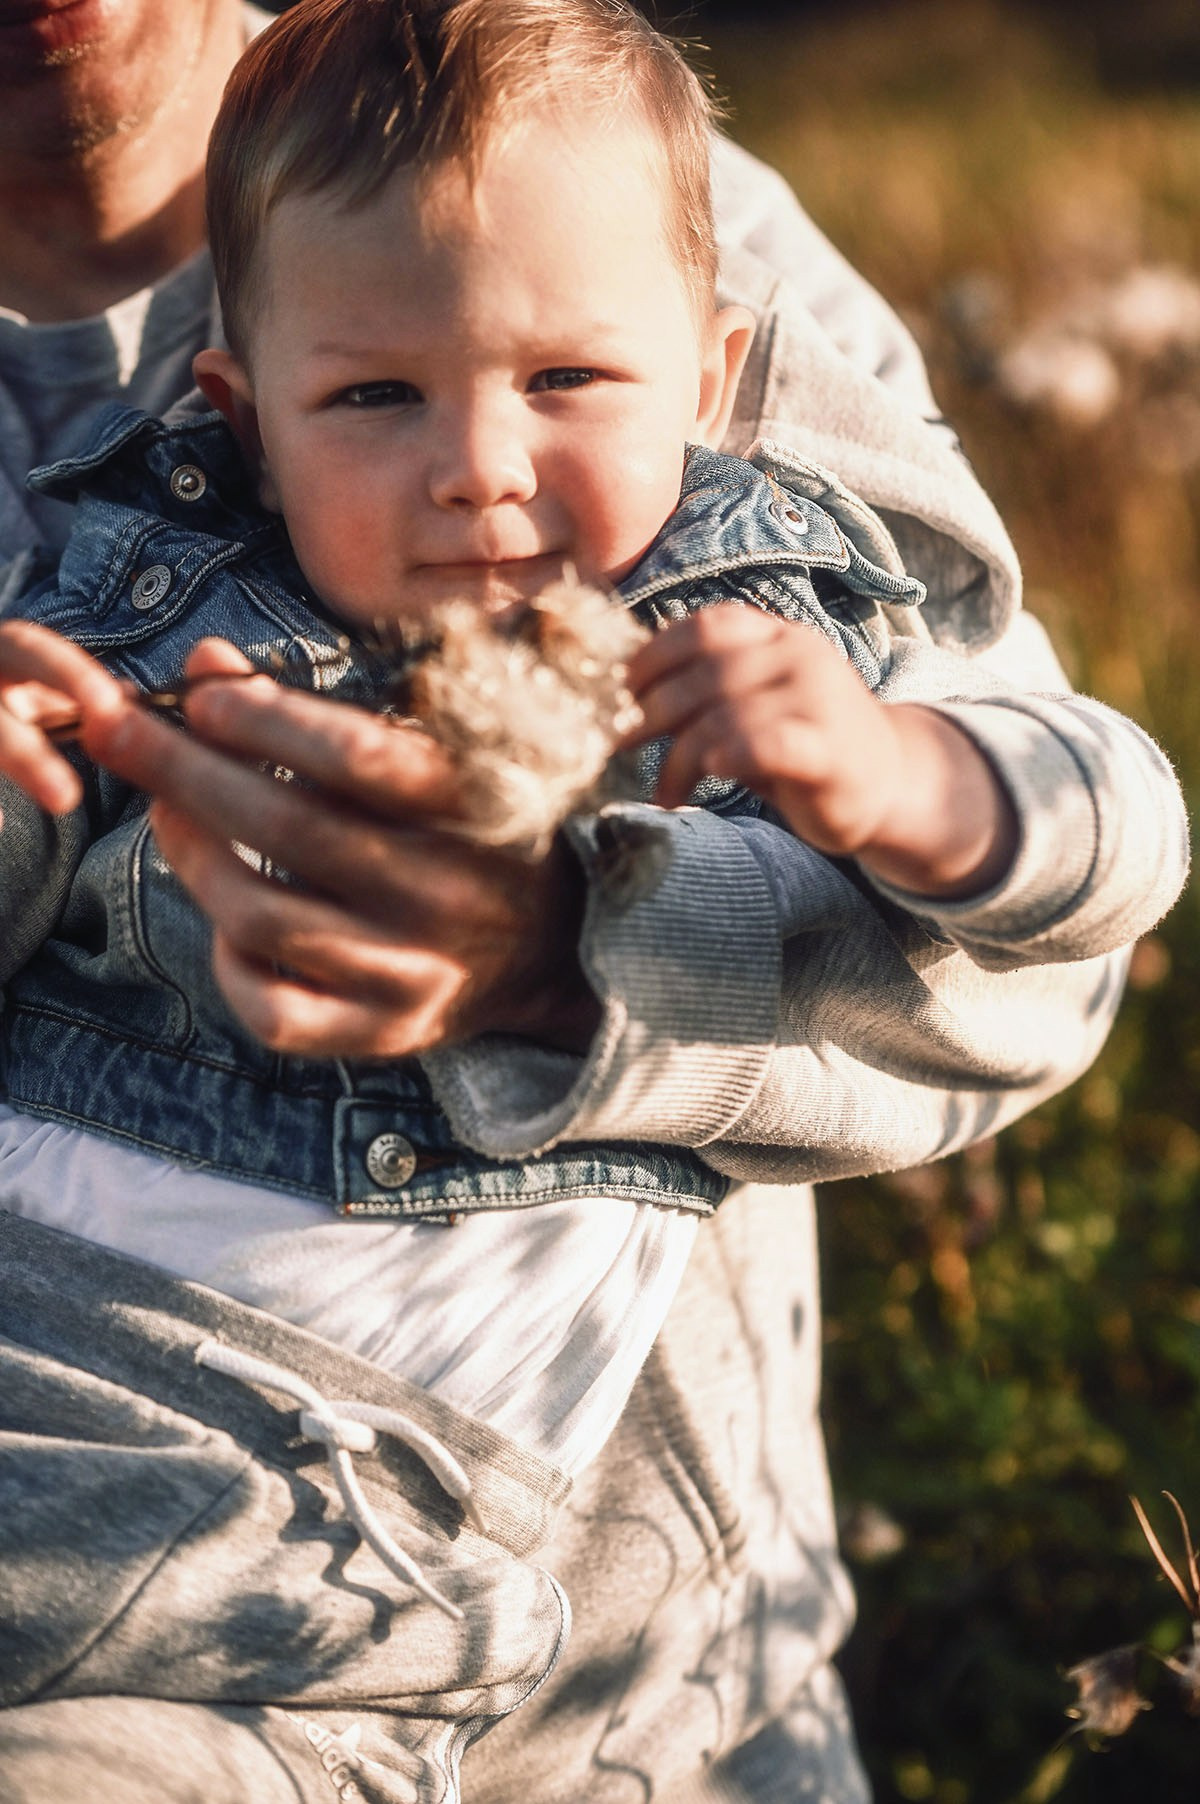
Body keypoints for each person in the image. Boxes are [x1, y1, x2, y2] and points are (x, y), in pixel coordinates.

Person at [0, 3, 1187, 1802]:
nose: (481, 466)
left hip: (566, 1664)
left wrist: (873, 805)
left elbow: (1081, 902)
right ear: (236, 421)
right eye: (374, 396)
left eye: (563, 383)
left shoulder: (723, 499)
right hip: (76, 1441)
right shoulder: (153, 615)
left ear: (715, 377)